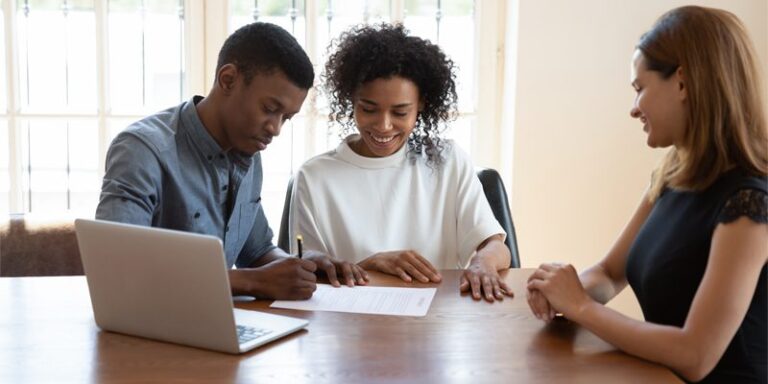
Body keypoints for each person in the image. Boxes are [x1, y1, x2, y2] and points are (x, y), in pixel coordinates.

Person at [526, 6, 767, 383]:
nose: (634, 109)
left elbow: (695, 355)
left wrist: (580, 306)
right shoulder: (674, 173)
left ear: (683, 82)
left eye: (640, 88)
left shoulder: (750, 205)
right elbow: (609, 273)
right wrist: (562, 294)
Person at [96, 22, 367, 300]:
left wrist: (305, 265)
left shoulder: (248, 149)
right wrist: (250, 282)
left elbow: (258, 252)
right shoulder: (142, 150)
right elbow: (118, 267)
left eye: (286, 118)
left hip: (216, 323)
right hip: (147, 329)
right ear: (228, 79)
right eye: (270, 109)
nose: (275, 128)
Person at [289, 24, 512, 302]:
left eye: (400, 112)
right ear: (351, 102)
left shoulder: (447, 161)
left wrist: (483, 263)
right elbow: (307, 270)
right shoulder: (315, 177)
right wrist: (368, 264)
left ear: (421, 105)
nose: (383, 126)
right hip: (349, 325)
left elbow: (495, 245)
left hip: (436, 320)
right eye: (368, 109)